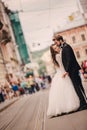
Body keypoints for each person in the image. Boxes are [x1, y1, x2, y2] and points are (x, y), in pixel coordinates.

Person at [53, 34, 87, 109]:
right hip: (72, 70)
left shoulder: (66, 47)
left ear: (60, 40)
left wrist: (67, 70)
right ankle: (83, 102)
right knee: (78, 86)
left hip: (73, 70)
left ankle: (84, 103)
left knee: (77, 87)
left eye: (56, 42)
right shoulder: (64, 47)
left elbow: (69, 60)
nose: (56, 44)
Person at [47, 44, 80, 117]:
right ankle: (68, 106)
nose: (57, 48)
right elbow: (62, 66)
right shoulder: (58, 56)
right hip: (62, 73)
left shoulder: (54, 57)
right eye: (55, 48)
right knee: (67, 90)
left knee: (61, 92)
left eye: (57, 47)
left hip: (58, 74)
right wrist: (65, 72)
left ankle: (61, 108)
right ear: (53, 50)